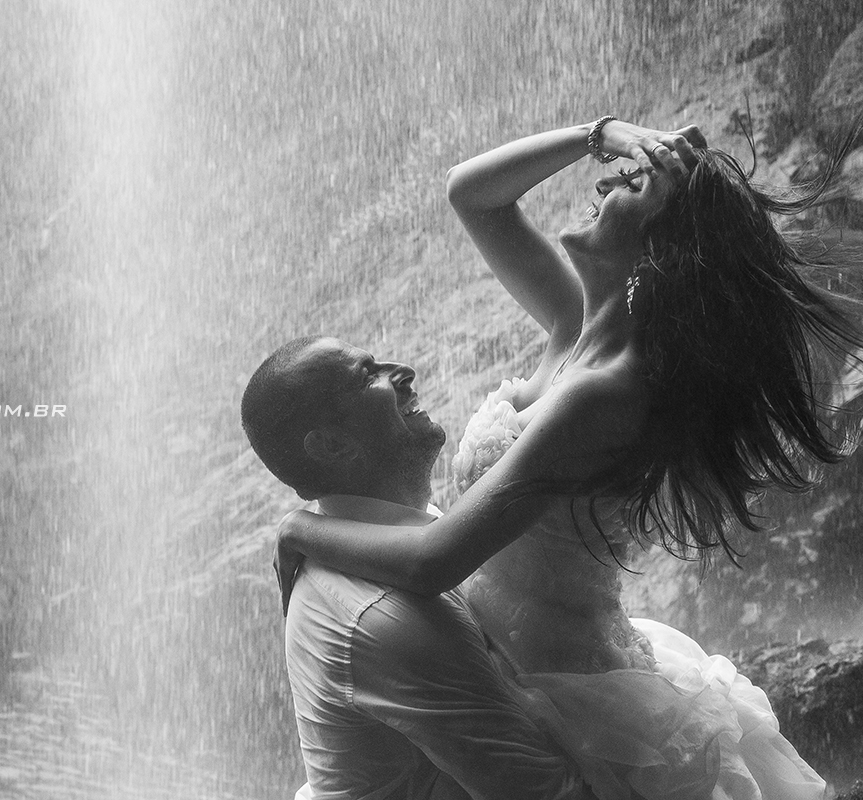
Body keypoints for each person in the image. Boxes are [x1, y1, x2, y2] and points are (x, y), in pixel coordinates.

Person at [273, 117, 863, 799]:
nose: (605, 184)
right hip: (505, 652)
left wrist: (301, 529)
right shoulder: (577, 325)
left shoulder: (606, 391)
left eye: (630, 187)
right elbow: (471, 194)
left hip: (565, 687)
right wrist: (603, 132)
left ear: (658, 251)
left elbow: (434, 561)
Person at [241, 336, 597, 800]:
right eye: (368, 374)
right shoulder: (385, 616)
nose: (404, 370)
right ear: (331, 444)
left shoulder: (371, 527)